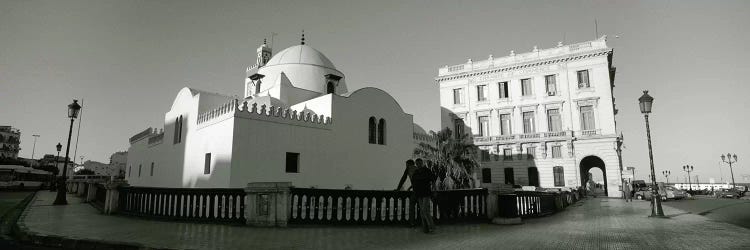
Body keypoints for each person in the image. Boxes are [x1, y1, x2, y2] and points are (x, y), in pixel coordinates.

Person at [411, 158, 436, 234]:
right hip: (419, 193)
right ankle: (425, 227)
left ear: (422, 163)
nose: (418, 165)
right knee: (423, 211)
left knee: (424, 210)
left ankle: (430, 226)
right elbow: (414, 183)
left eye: (419, 163)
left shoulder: (427, 171)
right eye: (417, 164)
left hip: (426, 193)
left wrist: (434, 190)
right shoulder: (416, 173)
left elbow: (433, 181)